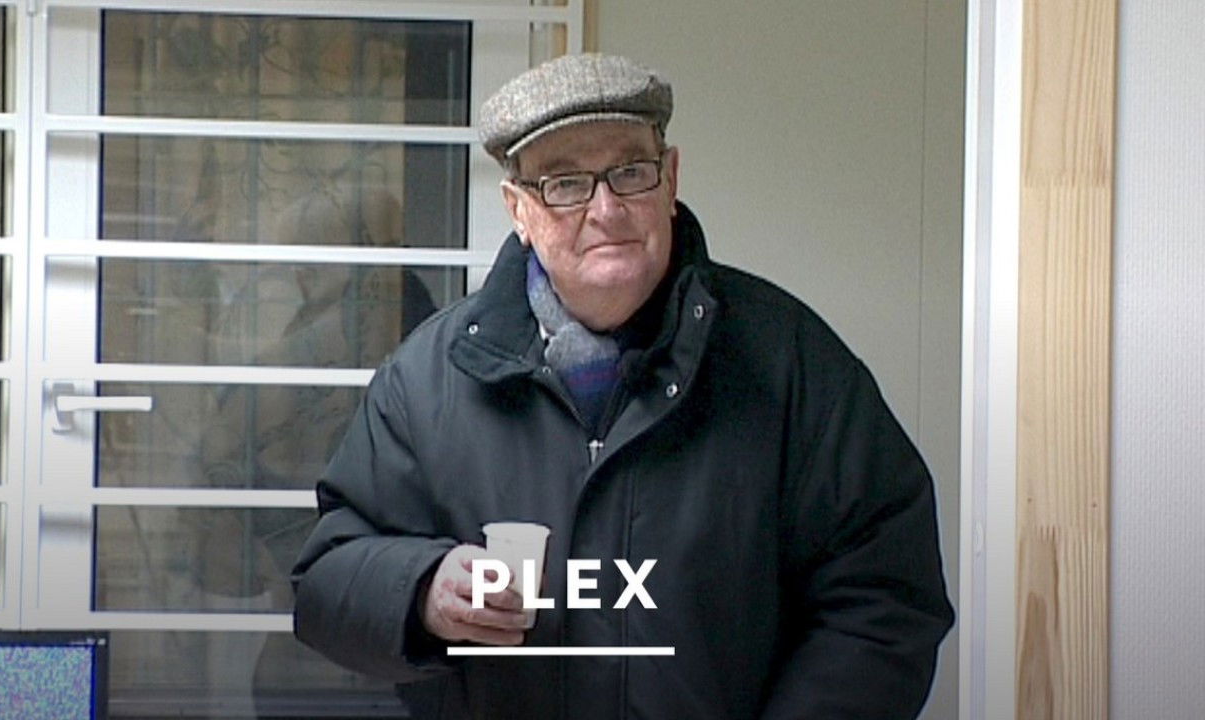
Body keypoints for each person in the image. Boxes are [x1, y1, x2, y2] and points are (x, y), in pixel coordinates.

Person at [291, 53, 954, 720]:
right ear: (518, 209)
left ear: (671, 179)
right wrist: (421, 593)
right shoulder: (430, 379)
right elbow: (327, 580)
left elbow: (884, 599)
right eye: (566, 183)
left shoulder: (788, 362)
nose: (606, 209)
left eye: (630, 172)